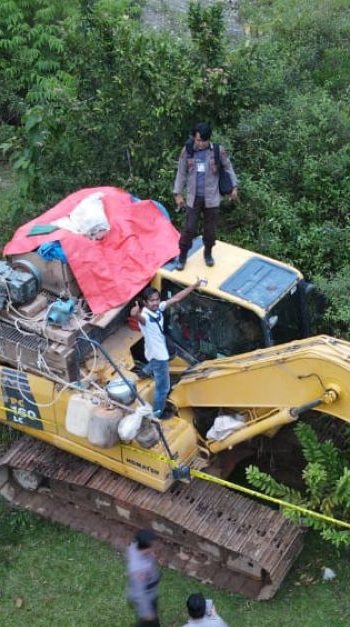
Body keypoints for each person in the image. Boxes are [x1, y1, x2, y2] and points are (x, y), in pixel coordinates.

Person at [129, 279, 204, 420]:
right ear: (145, 303)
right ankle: (157, 413)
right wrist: (135, 314)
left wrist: (194, 285)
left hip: (156, 348)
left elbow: (176, 298)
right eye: (151, 301)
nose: (155, 303)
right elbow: (139, 318)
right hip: (159, 355)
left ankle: (143, 373)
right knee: (163, 388)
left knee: (163, 357)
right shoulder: (145, 317)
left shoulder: (158, 309)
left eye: (157, 299)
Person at [173, 123, 238, 269]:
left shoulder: (217, 151)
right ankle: (182, 256)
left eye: (202, 140)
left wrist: (234, 187)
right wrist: (178, 194)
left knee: (210, 230)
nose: (199, 143)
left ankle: (208, 253)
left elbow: (228, 167)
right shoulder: (188, 151)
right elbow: (181, 173)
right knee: (189, 228)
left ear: (208, 139)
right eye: (197, 140)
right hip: (193, 198)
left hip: (212, 198)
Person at [111, 530, 177, 627]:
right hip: (144, 596)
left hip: (150, 592)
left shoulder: (135, 547)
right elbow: (140, 592)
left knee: (154, 616)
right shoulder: (139, 569)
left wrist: (149, 555)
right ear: (145, 547)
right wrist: (147, 612)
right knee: (145, 623)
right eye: (152, 545)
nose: (155, 547)